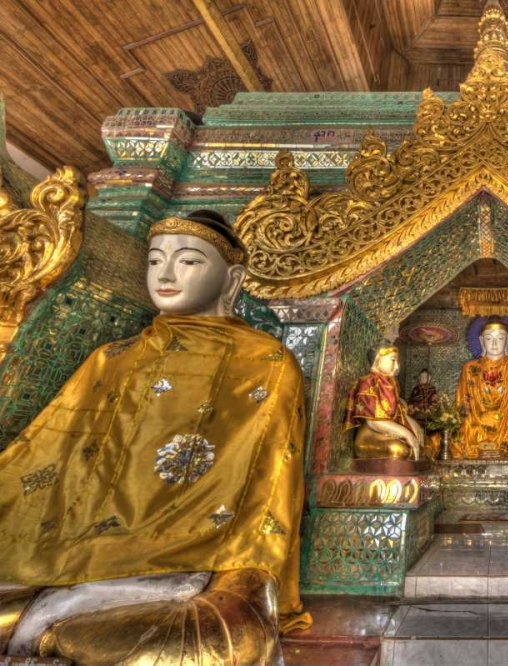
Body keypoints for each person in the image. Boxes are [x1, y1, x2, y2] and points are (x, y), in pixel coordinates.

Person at [0, 210, 310, 662]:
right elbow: (47, 458)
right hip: (71, 557)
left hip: (207, 564)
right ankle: (50, 635)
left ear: (232, 280)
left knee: (213, 644)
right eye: (153, 261)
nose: (164, 274)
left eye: (186, 261)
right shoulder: (112, 359)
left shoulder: (267, 363)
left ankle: (43, 638)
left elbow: (266, 497)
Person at [455, 318, 508, 458]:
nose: (495, 343)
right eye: (489, 338)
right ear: (481, 340)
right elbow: (463, 403)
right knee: (466, 431)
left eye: (500, 338)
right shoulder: (470, 368)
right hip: (478, 423)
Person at [346, 342, 424, 460]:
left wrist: (413, 426)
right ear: (378, 359)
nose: (397, 367)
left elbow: (399, 412)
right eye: (393, 360)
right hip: (371, 434)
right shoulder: (368, 382)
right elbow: (373, 422)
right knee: (398, 449)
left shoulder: (392, 383)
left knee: (426, 446)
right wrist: (407, 434)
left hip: (390, 430)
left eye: (397, 362)